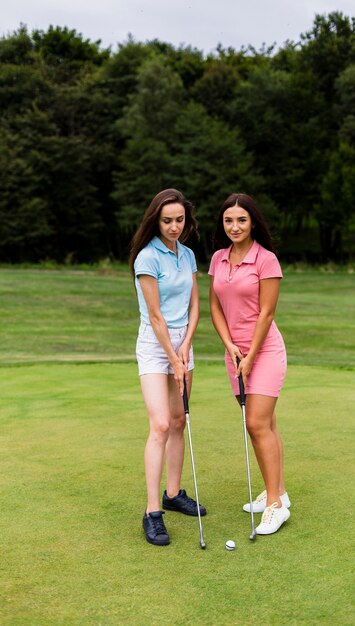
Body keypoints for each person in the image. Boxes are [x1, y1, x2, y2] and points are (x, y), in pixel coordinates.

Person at [209, 193, 290, 535]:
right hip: (236, 354)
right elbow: (214, 306)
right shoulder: (218, 258)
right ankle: (279, 493)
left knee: (257, 424)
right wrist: (230, 347)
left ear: (252, 222)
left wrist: (251, 353)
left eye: (241, 220)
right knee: (264, 424)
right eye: (229, 220)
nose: (235, 226)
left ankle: (274, 507)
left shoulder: (266, 260)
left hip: (265, 350)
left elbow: (267, 313)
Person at [129, 188, 206, 547]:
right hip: (154, 344)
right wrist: (173, 358)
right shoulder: (147, 258)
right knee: (160, 424)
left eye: (179, 220)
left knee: (179, 420)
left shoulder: (188, 255)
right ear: (154, 221)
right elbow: (156, 316)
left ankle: (172, 494)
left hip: (182, 342)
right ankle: (151, 512)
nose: (174, 226)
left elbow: (195, 308)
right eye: (166, 220)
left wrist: (186, 347)